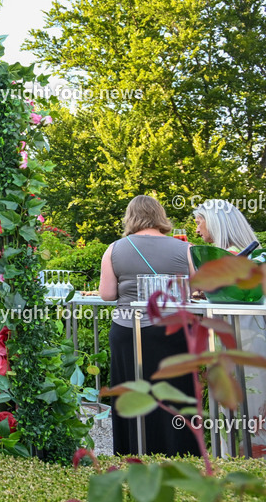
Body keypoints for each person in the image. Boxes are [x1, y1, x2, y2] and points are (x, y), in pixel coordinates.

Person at [99, 195, 199, 456]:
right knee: (176, 391)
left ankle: (132, 451)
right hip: (171, 331)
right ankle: (181, 454)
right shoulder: (185, 249)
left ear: (130, 217)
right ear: (160, 215)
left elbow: (107, 294)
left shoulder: (115, 249)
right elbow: (201, 288)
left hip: (127, 331)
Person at [193, 199, 266, 457]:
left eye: (199, 221)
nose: (197, 229)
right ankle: (234, 459)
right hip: (234, 336)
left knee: (250, 400)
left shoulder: (241, 257)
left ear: (215, 222)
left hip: (245, 336)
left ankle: (246, 460)